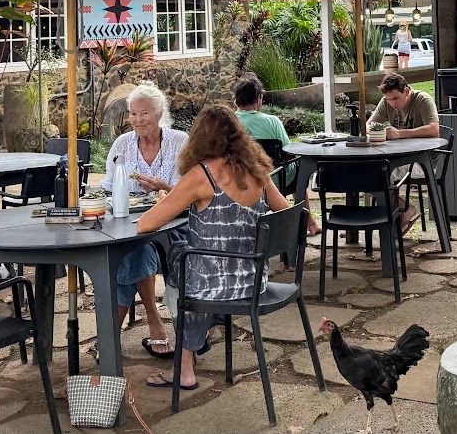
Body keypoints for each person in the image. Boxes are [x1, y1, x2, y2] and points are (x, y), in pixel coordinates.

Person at [136, 105, 289, 391]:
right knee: (185, 259)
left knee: (177, 258)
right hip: (253, 278)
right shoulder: (256, 170)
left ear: (200, 137)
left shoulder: (201, 174)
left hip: (212, 283)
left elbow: (146, 224)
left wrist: (163, 198)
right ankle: (194, 345)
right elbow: (285, 211)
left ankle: (185, 363)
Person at [102, 83, 188, 358]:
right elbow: (107, 187)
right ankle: (154, 320)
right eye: (133, 114)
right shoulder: (122, 145)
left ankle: (112, 334)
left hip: (174, 225)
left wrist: (164, 185)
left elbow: (193, 191)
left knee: (133, 249)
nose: (138, 120)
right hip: (133, 221)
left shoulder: (179, 141)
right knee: (135, 247)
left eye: (145, 114)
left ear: (160, 112)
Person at [233, 74, 319, 234]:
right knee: (298, 168)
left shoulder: (229, 122)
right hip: (275, 179)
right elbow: (288, 152)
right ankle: (309, 223)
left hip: (238, 180)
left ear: (236, 101)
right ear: (258, 99)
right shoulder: (272, 121)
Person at [368, 72, 440, 231]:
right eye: (388, 99)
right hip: (397, 158)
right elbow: (369, 125)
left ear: (406, 91)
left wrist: (400, 134)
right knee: (366, 173)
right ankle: (405, 209)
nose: (391, 103)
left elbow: (434, 129)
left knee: (379, 174)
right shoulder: (386, 102)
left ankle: (396, 217)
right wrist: (376, 131)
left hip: (422, 161)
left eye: (395, 98)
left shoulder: (422, 100)